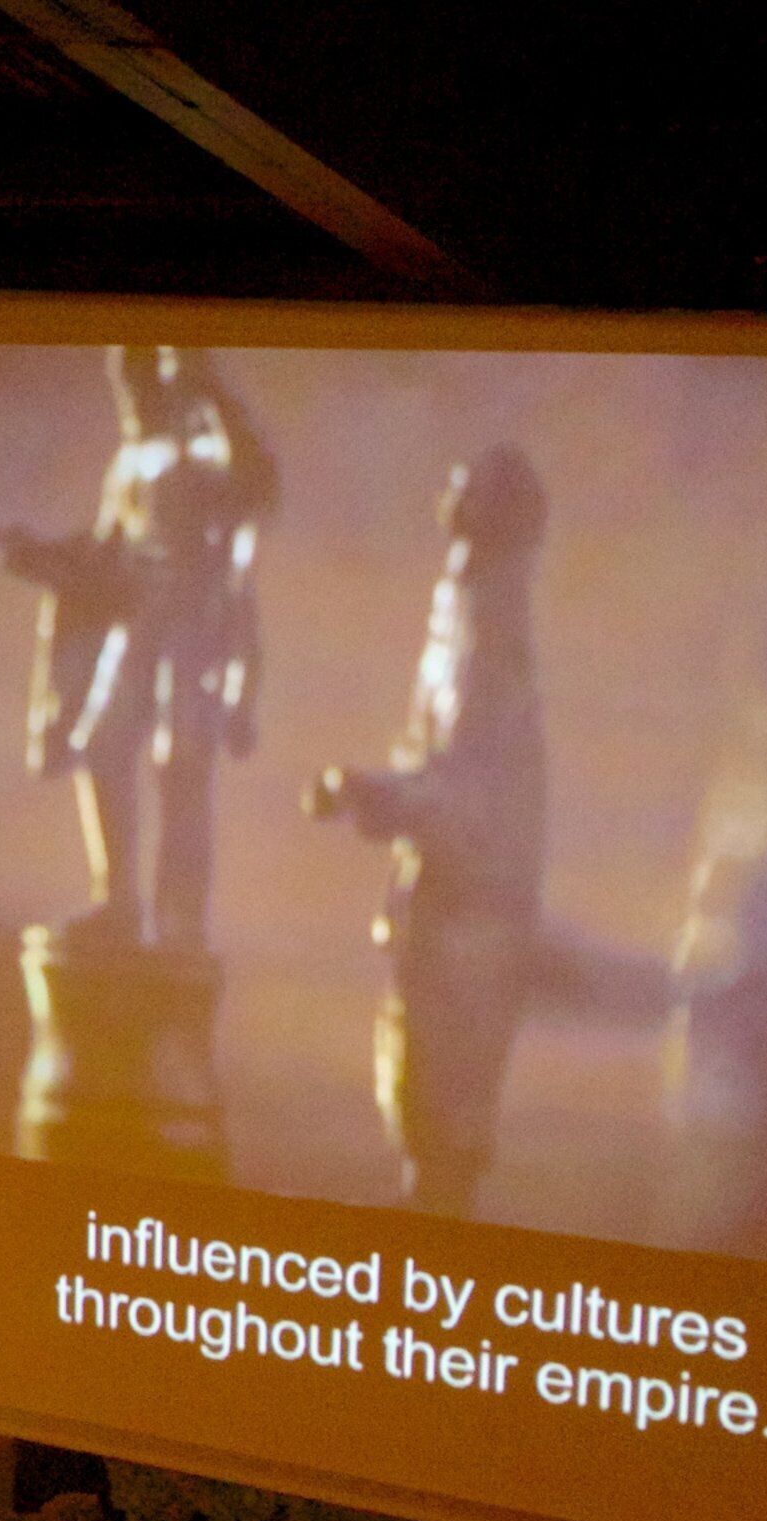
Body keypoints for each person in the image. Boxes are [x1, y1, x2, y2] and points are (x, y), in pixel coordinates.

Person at [306, 448, 551, 1212]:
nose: (453, 512)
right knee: (430, 1118)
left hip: (466, 924)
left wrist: (373, 795)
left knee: (442, 1122)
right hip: (449, 913)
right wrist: (377, 794)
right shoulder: (473, 622)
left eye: (471, 502)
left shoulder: (491, 638)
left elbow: (472, 794)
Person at [0, 345, 272, 952]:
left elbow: (257, 487)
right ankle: (117, 902)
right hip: (139, 626)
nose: (129, 398)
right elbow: (106, 553)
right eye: (123, 385)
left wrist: (212, 393)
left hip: (196, 629)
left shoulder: (207, 456)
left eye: (139, 383)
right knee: (102, 747)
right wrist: (41, 558)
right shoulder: (129, 463)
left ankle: (180, 920)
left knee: (182, 766)